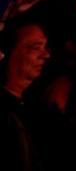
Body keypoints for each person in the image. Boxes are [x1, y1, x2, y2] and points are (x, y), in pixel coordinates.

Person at [1, 18, 51, 171]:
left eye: (45, 47)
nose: (46, 55)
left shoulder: (35, 107)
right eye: (36, 48)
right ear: (9, 52)